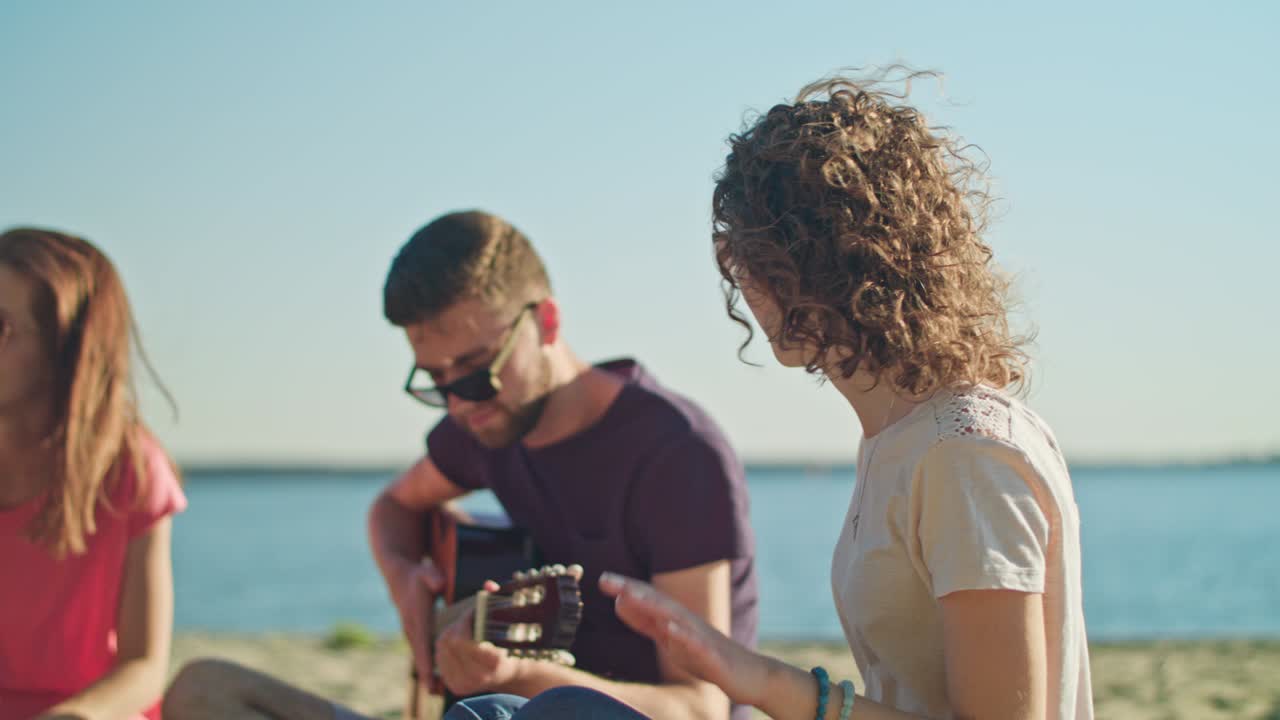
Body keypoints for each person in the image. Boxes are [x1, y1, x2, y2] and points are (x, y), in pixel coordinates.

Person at [484, 70, 1094, 719]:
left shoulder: (963, 451)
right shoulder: (900, 436)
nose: (740, 283)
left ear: (819, 266)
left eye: (749, 257)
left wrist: (757, 680)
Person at [163, 210, 759, 720]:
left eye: (475, 371)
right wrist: (407, 585)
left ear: (546, 322)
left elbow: (696, 708)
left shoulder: (676, 454)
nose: (458, 402)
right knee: (204, 689)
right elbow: (394, 505)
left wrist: (521, 680)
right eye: (435, 381)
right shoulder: (487, 423)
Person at [0, 227, 187, 720]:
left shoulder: (132, 471)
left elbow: (144, 664)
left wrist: (74, 716)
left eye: (0, 327)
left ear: (66, 350)